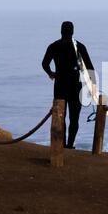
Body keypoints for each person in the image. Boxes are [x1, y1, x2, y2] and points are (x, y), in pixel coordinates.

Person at [42, 21, 96, 149]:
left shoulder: (53, 46)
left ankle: (61, 143)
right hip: (75, 87)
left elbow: (44, 63)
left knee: (60, 117)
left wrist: (51, 73)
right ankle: (70, 145)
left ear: (61, 31)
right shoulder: (79, 47)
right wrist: (92, 87)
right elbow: (90, 69)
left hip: (60, 86)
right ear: (72, 32)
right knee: (74, 118)